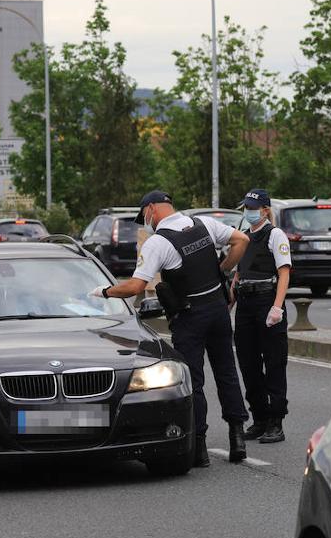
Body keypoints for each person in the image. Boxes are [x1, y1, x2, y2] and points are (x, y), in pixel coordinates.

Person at [95, 191, 251, 467]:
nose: (145, 220)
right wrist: (222, 272)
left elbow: (134, 287)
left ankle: (199, 448)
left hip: (190, 317)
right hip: (218, 309)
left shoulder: (158, 242)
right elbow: (242, 240)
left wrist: (104, 292)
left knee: (194, 380)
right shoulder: (203, 224)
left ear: (152, 209)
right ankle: (237, 438)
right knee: (227, 371)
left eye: (144, 215)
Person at [232, 189, 292, 444]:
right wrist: (227, 306)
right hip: (245, 303)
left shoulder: (275, 234)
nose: (249, 212)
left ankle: (276, 422)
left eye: (253, 207)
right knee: (248, 364)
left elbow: (284, 272)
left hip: (267, 301)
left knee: (274, 363)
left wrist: (277, 307)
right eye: (246, 207)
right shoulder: (243, 238)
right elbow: (237, 275)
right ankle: (259, 418)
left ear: (265, 210)